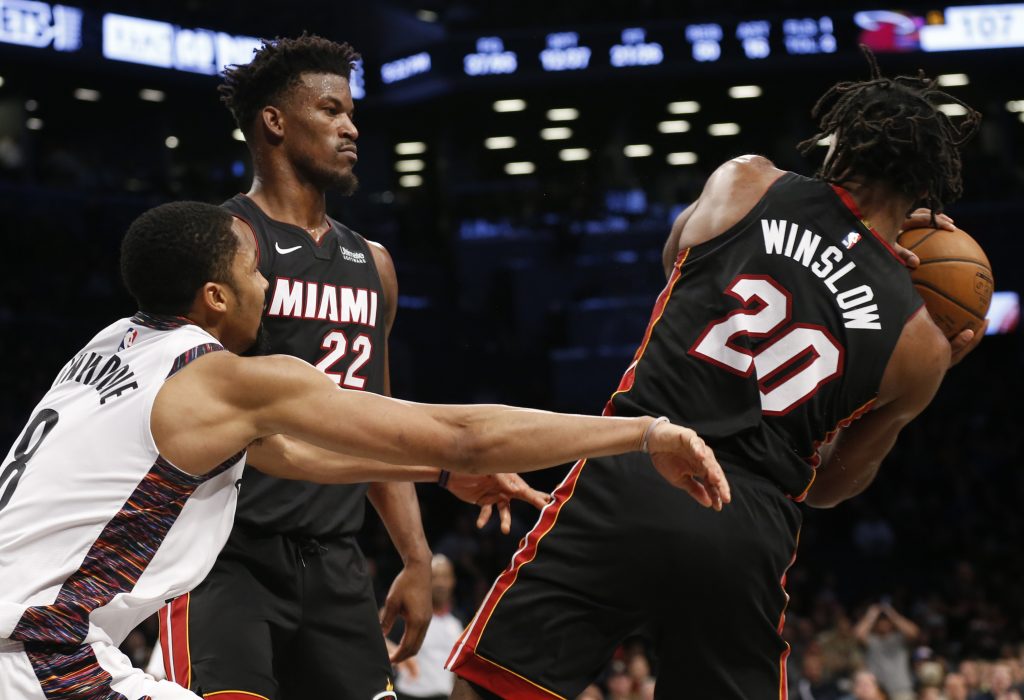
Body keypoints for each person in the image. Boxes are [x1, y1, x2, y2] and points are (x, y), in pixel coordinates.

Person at [0, 201, 728, 700]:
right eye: (254, 273)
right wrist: (640, 433)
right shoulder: (222, 380)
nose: (268, 287)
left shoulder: (109, 351)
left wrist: (438, 474)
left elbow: (288, 455)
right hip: (44, 657)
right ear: (216, 297)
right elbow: (464, 430)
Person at [448, 48, 984, 699]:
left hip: (636, 461)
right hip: (747, 519)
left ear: (839, 144)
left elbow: (679, 265)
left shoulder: (747, 181)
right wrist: (924, 350)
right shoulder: (919, 344)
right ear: (925, 191)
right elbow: (831, 487)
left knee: (496, 684)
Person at [158, 35, 546, 700]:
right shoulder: (225, 247)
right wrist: (447, 464)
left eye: (352, 113)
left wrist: (417, 557)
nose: (350, 127)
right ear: (274, 122)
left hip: (337, 561)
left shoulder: (375, 263)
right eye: (331, 111)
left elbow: (379, 422)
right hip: (224, 554)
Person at [395, 554, 465, 700]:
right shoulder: (406, 617)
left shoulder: (459, 622)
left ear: (453, 581)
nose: (440, 583)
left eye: (445, 577)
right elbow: (381, 642)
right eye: (434, 577)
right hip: (408, 695)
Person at [855, 602, 920, 700]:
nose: (883, 624)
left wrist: (892, 614)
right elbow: (858, 635)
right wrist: (871, 615)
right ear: (875, 624)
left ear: (891, 623)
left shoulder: (899, 638)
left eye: (886, 621)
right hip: (878, 692)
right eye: (880, 621)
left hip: (901, 689)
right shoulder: (872, 640)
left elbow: (914, 632)